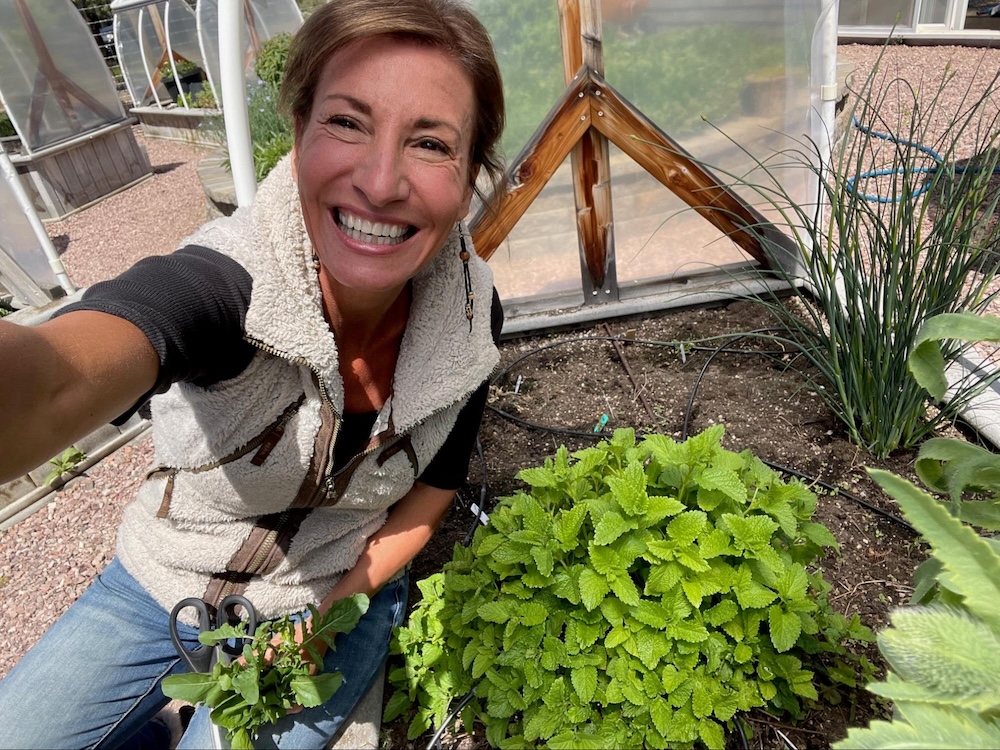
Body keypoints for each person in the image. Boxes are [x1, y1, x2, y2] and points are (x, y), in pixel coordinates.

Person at [0, 0, 505, 747]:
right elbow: (54, 381)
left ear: (467, 180)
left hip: (331, 595)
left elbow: (431, 495)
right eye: (347, 121)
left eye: (430, 142)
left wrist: (332, 619)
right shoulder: (227, 285)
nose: (380, 180)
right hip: (164, 580)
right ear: (297, 134)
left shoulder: (471, 319)